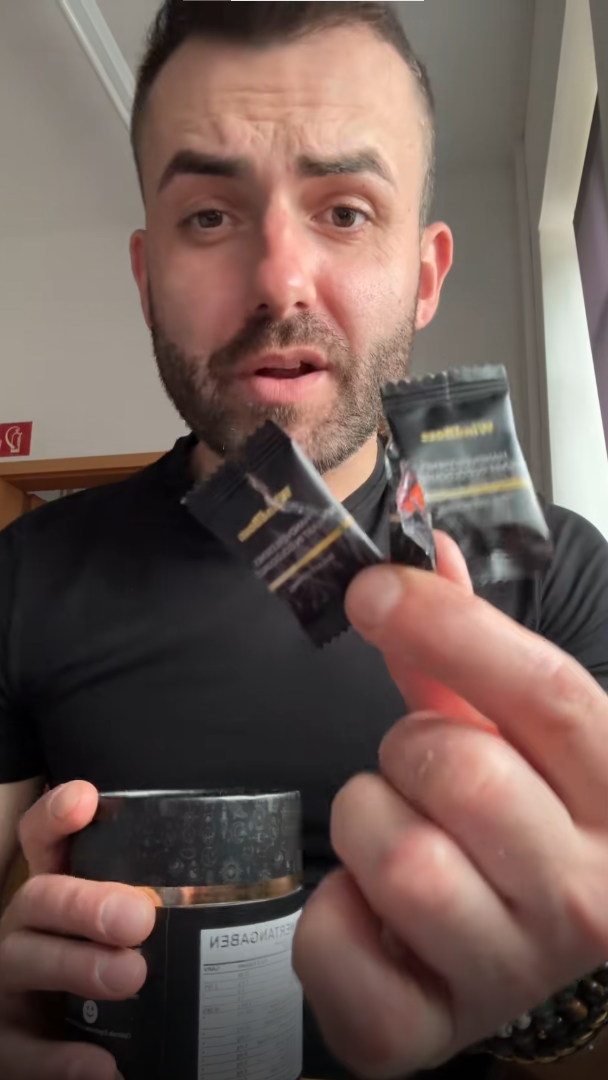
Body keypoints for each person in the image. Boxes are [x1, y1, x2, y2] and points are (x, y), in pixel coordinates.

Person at [1, 2, 608, 1078]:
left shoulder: (560, 572)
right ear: (145, 277)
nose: (280, 280)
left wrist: (559, 1004)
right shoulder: (22, 576)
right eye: (208, 216)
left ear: (425, 275)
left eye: (345, 211)